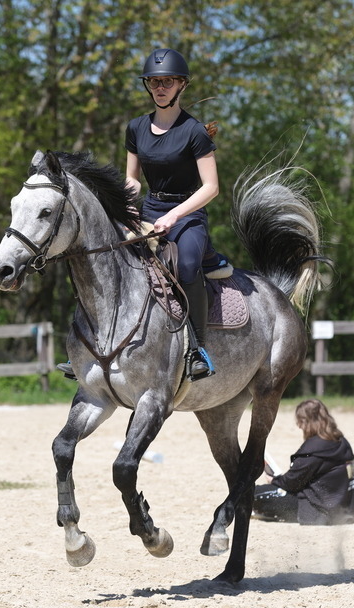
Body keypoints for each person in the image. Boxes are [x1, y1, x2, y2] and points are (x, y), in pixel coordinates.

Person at [125, 47, 225, 381]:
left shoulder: (194, 132)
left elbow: (211, 187)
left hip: (188, 215)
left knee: (184, 266)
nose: (160, 87)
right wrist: (124, 199)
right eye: (153, 82)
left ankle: (198, 349)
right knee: (105, 260)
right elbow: (132, 179)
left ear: (181, 84)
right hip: (149, 210)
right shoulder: (136, 128)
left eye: (167, 81)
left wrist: (174, 216)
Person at [253, 399, 354, 525]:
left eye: (300, 422)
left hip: (320, 511)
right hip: (347, 510)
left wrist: (274, 480)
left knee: (254, 493)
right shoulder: (341, 441)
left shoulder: (314, 449)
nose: (299, 426)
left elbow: (292, 483)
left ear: (307, 421)